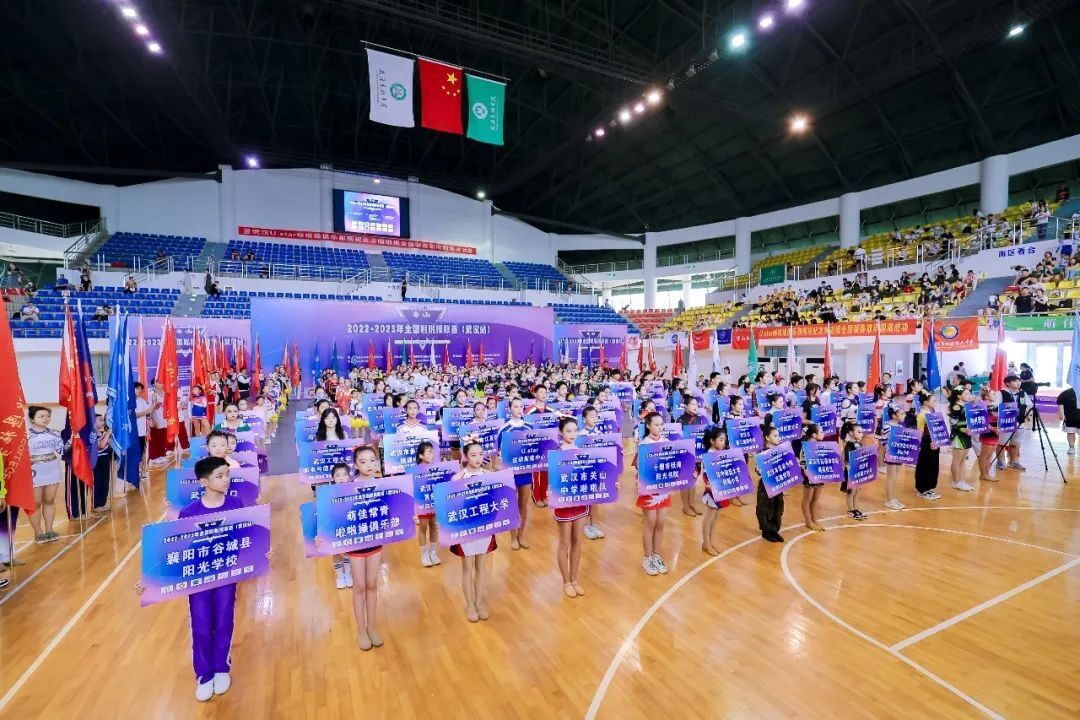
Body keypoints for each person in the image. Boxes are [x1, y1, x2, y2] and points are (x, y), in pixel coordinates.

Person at [136, 455, 266, 702]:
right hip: (198, 580)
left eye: (227, 475)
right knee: (201, 624)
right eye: (220, 476)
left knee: (224, 619)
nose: (226, 479)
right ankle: (204, 674)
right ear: (204, 482)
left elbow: (248, 538)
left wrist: (262, 553)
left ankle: (221, 667)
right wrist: (149, 579)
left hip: (226, 574)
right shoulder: (189, 512)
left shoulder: (236, 504)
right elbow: (175, 549)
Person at [450, 440, 498, 623]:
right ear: (465, 456)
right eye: (473, 455)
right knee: (467, 568)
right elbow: (452, 506)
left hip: (484, 528)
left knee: (481, 568)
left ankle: (479, 602)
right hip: (466, 530)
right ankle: (469, 604)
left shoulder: (489, 475)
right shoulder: (458, 479)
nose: (478, 458)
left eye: (480, 454)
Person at [551, 417, 588, 598]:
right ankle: (566, 581)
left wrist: (610, 484)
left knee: (577, 541)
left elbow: (592, 475)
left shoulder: (582, 452)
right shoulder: (556, 454)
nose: (572, 434)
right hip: (563, 503)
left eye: (575, 430)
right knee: (564, 542)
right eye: (568, 431)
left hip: (580, 502)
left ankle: (574, 579)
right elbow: (552, 480)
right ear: (561, 432)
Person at [635, 411, 670, 575]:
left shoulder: (667, 442)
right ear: (648, 426)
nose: (659, 427)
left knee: (660, 522)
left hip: (663, 489)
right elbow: (639, 468)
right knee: (650, 522)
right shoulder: (644, 445)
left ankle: (657, 555)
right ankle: (647, 557)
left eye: (661, 424)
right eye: (656, 424)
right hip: (649, 491)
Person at [496, 397, 533, 551]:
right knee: (511, 505)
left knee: (523, 505)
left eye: (521, 406)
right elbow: (499, 452)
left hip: (526, 471)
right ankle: (512, 536)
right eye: (516, 406)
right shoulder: (504, 430)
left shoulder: (530, 427)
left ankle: (521, 535)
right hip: (510, 473)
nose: (519, 409)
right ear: (510, 408)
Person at [27, 406, 65, 543]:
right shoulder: (25, 435)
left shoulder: (55, 433)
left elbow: (62, 450)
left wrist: (73, 441)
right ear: (32, 419)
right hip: (34, 471)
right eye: (41, 416)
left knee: (49, 500)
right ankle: (38, 532)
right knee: (35, 502)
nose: (45, 419)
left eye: (47, 416)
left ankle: (49, 530)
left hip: (52, 468)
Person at [699, 424, 731, 554]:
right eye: (721, 440)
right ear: (712, 440)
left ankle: (711, 541)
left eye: (724, 440)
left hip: (721, 489)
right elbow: (706, 475)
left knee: (716, 517)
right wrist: (710, 485)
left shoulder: (721, 454)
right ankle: (706, 543)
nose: (723, 442)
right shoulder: (708, 456)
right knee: (709, 517)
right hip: (712, 491)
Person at [577, 405, 606, 540]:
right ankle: (584, 525)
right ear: (584, 419)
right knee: (584, 499)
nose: (594, 418)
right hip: (584, 471)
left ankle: (594, 524)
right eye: (591, 416)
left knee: (595, 499)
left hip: (596, 470)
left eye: (596, 416)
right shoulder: (580, 435)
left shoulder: (600, 434)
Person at [755, 423, 787, 540]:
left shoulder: (780, 451)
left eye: (778, 436)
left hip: (778, 482)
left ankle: (774, 530)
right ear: (767, 437)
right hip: (766, 484)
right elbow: (758, 469)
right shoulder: (762, 452)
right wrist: (759, 470)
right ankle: (766, 531)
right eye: (775, 436)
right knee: (765, 507)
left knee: (778, 507)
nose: (778, 438)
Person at [414, 440, 441, 568]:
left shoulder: (437, 468)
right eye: (429, 452)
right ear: (421, 455)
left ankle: (433, 552)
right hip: (422, 505)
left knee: (434, 527)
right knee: (423, 528)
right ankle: (424, 554)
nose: (432, 455)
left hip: (435, 503)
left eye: (432, 452)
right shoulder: (415, 471)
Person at [913, 392, 942, 500]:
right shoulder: (921, 415)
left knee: (933, 464)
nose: (935, 402)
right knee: (924, 464)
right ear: (925, 402)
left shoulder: (932, 412)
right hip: (926, 443)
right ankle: (922, 489)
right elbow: (920, 432)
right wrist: (921, 445)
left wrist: (938, 440)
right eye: (933, 401)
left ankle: (929, 487)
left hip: (934, 441)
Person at [799, 423, 826, 531]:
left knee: (816, 498)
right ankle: (808, 521)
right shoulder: (806, 446)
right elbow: (802, 459)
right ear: (814, 435)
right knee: (807, 498)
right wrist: (805, 470)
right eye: (821, 432)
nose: (824, 434)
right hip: (809, 474)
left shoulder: (820, 445)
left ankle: (814, 519)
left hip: (819, 473)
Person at [948, 387, 975, 490]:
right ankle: (956, 482)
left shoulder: (967, 405)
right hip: (958, 436)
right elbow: (953, 424)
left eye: (969, 394)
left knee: (963, 460)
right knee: (957, 460)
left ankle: (960, 480)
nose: (969, 396)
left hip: (967, 435)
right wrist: (964, 430)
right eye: (966, 394)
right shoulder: (957, 407)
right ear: (959, 396)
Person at [839, 421, 868, 521]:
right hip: (850, 472)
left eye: (861, 432)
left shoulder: (858, 444)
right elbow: (845, 458)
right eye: (859, 432)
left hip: (858, 471)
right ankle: (850, 510)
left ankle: (856, 509)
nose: (861, 434)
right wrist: (847, 466)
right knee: (851, 491)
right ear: (851, 433)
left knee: (857, 491)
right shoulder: (848, 445)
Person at [999, 374, 1027, 471]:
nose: (1018, 383)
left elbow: (1028, 405)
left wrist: (1028, 415)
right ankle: (1000, 461)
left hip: (1020, 421)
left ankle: (1013, 461)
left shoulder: (1022, 393)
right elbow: (996, 406)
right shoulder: (1001, 393)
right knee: (1002, 443)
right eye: (1015, 381)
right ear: (1007, 383)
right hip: (1006, 421)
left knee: (1016, 442)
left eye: (1019, 381)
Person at [881, 406, 906, 510]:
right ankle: (889, 500)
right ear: (894, 415)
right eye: (901, 414)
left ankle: (894, 498)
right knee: (891, 477)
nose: (904, 415)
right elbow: (884, 442)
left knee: (896, 477)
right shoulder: (887, 426)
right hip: (891, 454)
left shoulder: (900, 426)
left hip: (899, 454)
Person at [91, 414, 113, 514]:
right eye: (100, 420)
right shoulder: (92, 434)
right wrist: (108, 434)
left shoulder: (103, 433)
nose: (102, 422)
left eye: (103, 420)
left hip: (105, 459)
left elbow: (110, 445)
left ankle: (102, 503)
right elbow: (101, 445)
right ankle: (96, 504)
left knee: (105, 481)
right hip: (97, 460)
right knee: (98, 482)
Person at [1056, 383, 1080, 455]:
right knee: (1071, 432)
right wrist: (1061, 413)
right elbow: (1061, 404)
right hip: (1070, 418)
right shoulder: (1066, 393)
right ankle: (1071, 447)